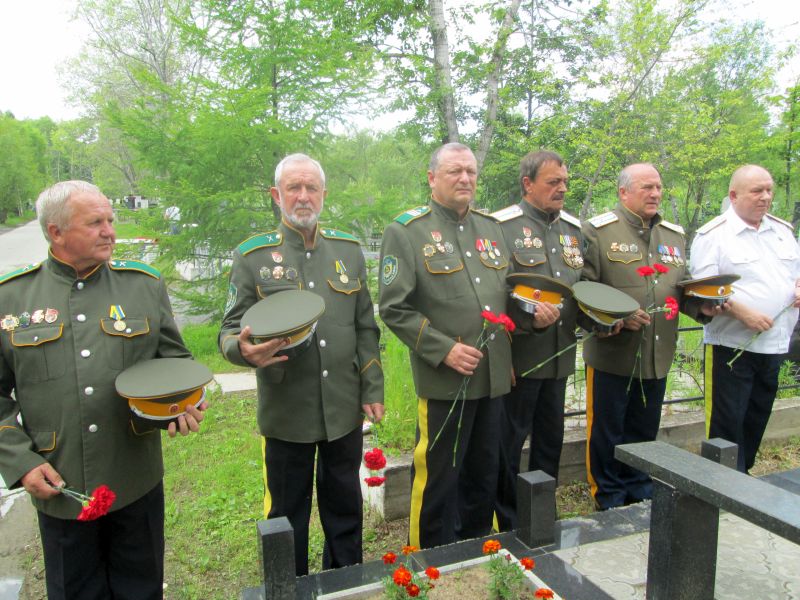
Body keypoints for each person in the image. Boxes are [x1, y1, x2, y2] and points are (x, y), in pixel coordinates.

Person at [0, 180, 207, 599]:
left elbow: (176, 363)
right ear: (55, 232)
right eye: (95, 222)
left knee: (142, 590)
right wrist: (20, 461)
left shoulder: (142, 286)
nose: (110, 231)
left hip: (135, 476)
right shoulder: (13, 297)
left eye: (110, 220)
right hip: (60, 482)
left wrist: (185, 401)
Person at [219, 153, 384, 575]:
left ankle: (345, 581)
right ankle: (286, 587)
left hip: (342, 407)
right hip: (287, 410)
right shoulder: (253, 257)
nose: (304, 196)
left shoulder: (348, 251)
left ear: (324, 194)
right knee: (286, 514)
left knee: (345, 505)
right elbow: (228, 331)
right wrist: (243, 352)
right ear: (277, 195)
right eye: (294, 187)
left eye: (312, 188)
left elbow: (366, 327)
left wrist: (372, 388)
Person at [379, 142, 512, 549]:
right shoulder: (406, 231)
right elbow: (394, 308)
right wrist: (443, 349)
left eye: (470, 172)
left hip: (491, 378)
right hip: (444, 380)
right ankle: (428, 560)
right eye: (455, 171)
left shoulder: (491, 228)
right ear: (432, 177)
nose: (465, 179)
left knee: (483, 472)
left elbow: (502, 294)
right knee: (439, 475)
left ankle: (474, 551)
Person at [580, 163, 716, 510]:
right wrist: (617, 317)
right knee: (607, 430)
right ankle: (608, 495)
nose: (655, 194)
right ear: (623, 192)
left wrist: (705, 307)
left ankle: (639, 487)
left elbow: (679, 289)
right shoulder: (598, 232)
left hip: (657, 354)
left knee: (644, 427)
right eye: (646, 188)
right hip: (614, 353)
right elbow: (583, 290)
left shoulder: (673, 236)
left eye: (658, 187)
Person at [491, 150, 583, 530]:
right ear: (528, 184)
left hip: (559, 357)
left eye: (564, 181)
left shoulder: (573, 231)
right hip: (520, 359)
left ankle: (541, 515)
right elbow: (493, 297)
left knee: (550, 442)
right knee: (508, 445)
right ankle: (509, 521)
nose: (561, 188)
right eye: (552, 182)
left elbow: (582, 289)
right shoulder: (501, 228)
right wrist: (502, 356)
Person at [690, 164, 800, 472]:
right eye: (757, 191)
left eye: (769, 190)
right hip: (732, 347)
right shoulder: (714, 235)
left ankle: (743, 480)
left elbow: (794, 276)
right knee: (726, 428)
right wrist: (743, 313)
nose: (765, 197)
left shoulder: (781, 232)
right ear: (734, 195)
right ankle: (721, 489)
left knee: (756, 418)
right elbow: (705, 287)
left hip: (775, 344)